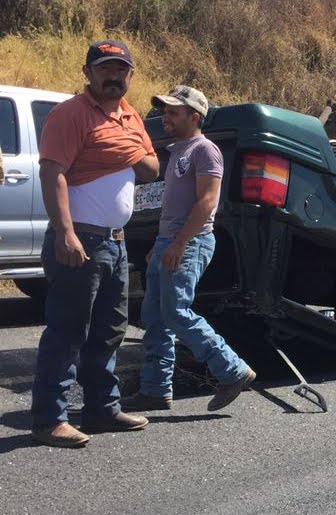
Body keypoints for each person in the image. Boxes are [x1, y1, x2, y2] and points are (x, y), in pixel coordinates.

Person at [31, 39, 160, 448]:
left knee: (109, 331)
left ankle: (103, 409)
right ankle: (50, 418)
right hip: (80, 239)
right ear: (88, 73)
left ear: (130, 75)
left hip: (115, 243)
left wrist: (124, 151)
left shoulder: (131, 115)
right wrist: (65, 232)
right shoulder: (69, 115)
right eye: (104, 68)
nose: (113, 76)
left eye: (120, 70)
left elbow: (153, 168)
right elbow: (53, 173)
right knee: (68, 330)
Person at [123, 85, 255, 413]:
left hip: (191, 241)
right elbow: (173, 207)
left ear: (194, 117)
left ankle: (233, 370)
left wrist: (180, 242)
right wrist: (159, 244)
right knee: (154, 317)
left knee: (176, 312)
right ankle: (155, 389)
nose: (165, 117)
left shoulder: (204, 150)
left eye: (173, 112)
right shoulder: (178, 151)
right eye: (165, 111)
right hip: (170, 241)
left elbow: (208, 201)